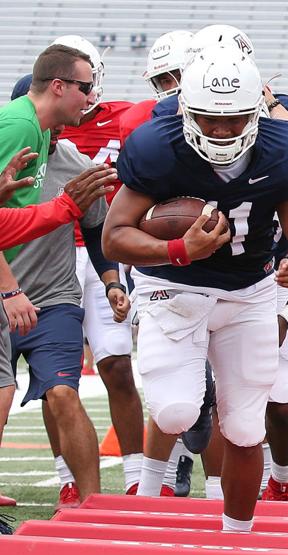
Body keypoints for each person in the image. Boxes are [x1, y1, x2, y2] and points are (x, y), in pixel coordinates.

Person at [105, 45, 288, 532]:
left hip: (250, 289)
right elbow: (114, 236)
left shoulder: (285, 149)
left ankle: (237, 541)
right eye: (209, 119)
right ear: (186, 109)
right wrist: (180, 250)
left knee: (247, 429)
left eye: (235, 119)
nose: (223, 130)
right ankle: (199, 398)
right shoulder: (157, 147)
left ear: (257, 110)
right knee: (175, 410)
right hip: (173, 286)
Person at [1, 43, 108, 502]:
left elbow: (14, 221)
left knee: (57, 393)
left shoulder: (49, 139)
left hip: (52, 297)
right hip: (11, 296)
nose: (91, 97)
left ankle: (91, 502)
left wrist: (111, 279)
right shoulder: (22, 124)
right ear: (57, 88)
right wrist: (9, 292)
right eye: (85, 88)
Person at [52, 34, 147, 500]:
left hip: (103, 252)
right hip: (48, 253)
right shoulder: (38, 123)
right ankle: (68, 478)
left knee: (116, 365)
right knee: (59, 376)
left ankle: (137, 477)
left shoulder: (125, 119)